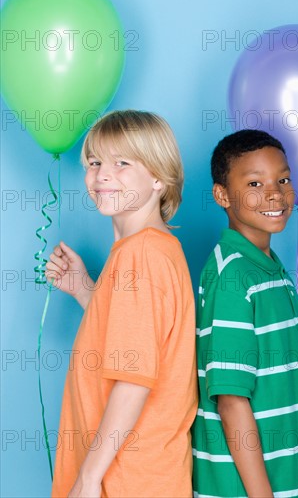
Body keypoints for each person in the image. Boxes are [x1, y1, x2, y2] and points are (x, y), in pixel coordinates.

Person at [46, 110, 198, 498]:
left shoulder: (140, 256)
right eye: (94, 162)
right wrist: (85, 291)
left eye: (122, 163)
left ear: (159, 178)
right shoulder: (152, 250)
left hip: (125, 479)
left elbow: (134, 379)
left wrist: (89, 477)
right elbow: (137, 342)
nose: (102, 175)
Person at [192, 130, 298, 497]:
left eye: (283, 179)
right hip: (247, 489)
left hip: (291, 479)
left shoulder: (269, 268)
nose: (275, 194)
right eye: (254, 183)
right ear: (222, 195)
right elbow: (232, 400)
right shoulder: (233, 277)